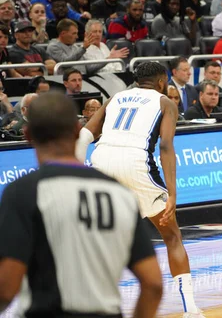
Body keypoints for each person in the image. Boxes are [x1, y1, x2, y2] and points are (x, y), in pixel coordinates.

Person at [0, 93, 162, 318]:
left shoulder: (22, 193)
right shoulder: (119, 193)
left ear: (28, 136)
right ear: (78, 130)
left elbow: (7, 287)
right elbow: (153, 283)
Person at [76, 62, 200, 313]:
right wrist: (172, 194)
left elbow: (85, 135)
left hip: (101, 160)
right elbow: (165, 147)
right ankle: (191, 310)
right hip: (135, 162)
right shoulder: (165, 102)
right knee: (172, 236)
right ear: (162, 82)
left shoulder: (115, 98)